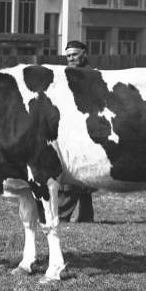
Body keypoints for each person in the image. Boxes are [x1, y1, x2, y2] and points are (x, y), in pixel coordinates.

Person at [58, 40, 95, 223]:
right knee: (79, 170)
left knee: (74, 171)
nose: (71, 58)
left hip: (85, 128)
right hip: (69, 128)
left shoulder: (92, 75)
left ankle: (62, 214)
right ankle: (86, 215)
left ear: (84, 54)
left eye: (74, 54)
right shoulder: (66, 74)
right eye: (68, 56)